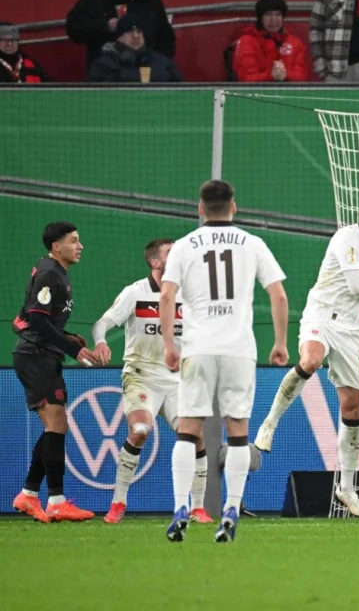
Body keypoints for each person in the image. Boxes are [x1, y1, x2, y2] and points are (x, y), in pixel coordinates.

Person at [253, 197, 359, 519]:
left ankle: (346, 487)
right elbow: (358, 285)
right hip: (321, 317)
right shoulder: (347, 237)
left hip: (353, 331)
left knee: (353, 407)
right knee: (311, 361)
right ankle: (269, 424)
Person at [160, 180, 290, 542]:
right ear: (234, 207)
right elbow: (278, 296)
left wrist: (170, 344)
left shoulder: (184, 245)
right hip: (238, 349)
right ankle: (231, 508)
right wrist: (279, 343)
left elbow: (167, 296)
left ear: (200, 208)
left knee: (188, 429)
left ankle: (180, 507)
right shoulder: (253, 243)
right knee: (238, 433)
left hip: (198, 347)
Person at [90, 239, 212, 525]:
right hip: (142, 377)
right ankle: (118, 502)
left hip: (177, 380)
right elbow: (102, 323)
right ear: (155, 263)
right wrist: (100, 341)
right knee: (141, 430)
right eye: (171, 253)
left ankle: (198, 508)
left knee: (194, 436)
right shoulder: (136, 292)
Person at [11, 222, 99, 523]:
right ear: (56, 246)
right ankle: (54, 500)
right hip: (36, 356)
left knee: (56, 425)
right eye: (74, 241)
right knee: (56, 422)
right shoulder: (50, 273)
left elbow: (23, 320)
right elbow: (35, 321)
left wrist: (67, 337)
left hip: (42, 354)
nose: (80, 246)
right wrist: (74, 349)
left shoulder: (53, 272)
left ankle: (31, 495)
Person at [232, 0, 308, 83]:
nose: (273, 20)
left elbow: (303, 75)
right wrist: (270, 75)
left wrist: (286, 74)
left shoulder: (295, 43)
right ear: (260, 17)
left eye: (277, 14)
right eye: (268, 15)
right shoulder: (247, 42)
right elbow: (246, 78)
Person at [87, 14, 182, 83]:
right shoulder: (103, 66)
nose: (136, 36)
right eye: (129, 32)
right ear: (118, 37)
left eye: (139, 31)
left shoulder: (163, 63)